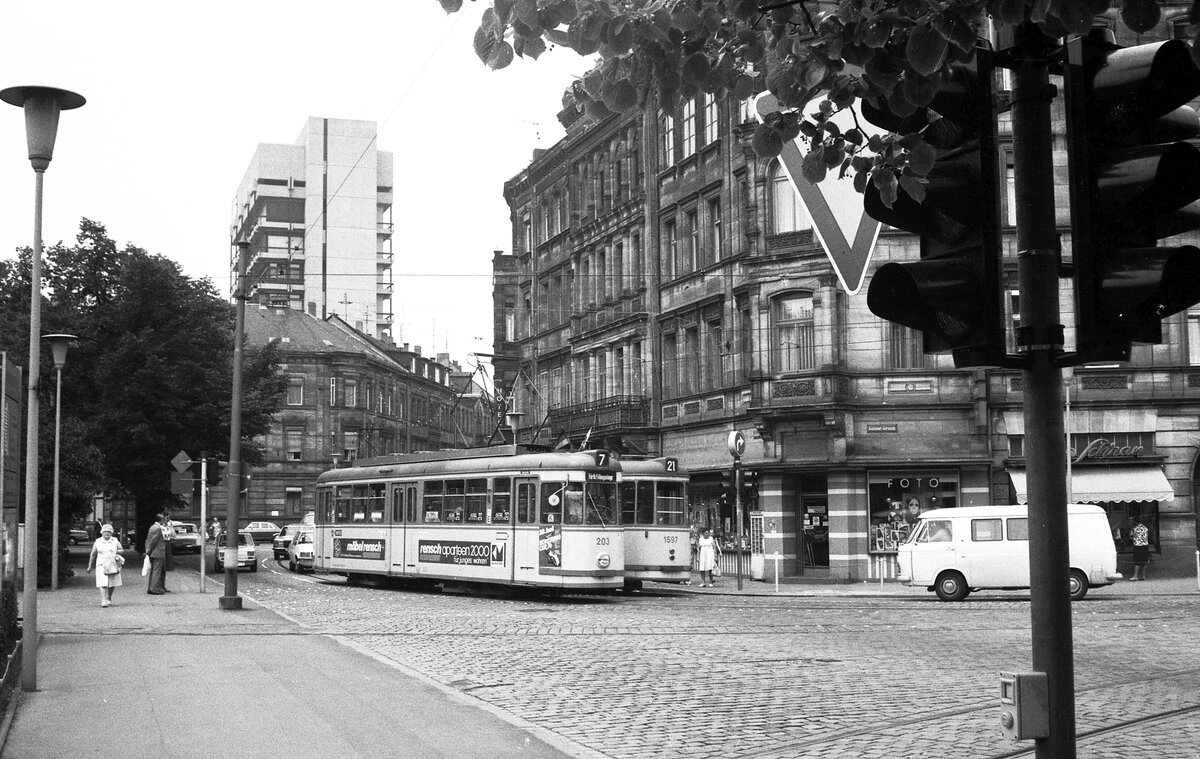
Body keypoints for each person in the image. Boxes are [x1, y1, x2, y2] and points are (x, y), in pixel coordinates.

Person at [86, 524, 124, 607]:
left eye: (109, 532)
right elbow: (93, 554)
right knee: (102, 582)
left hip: (112, 563)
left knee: (112, 582)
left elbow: (121, 550)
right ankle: (103, 600)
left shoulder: (115, 541)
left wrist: (116, 552)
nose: (107, 533)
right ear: (102, 533)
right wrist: (89, 566)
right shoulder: (98, 541)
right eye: (105, 532)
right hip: (101, 564)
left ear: (111, 533)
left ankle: (109, 598)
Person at [145, 512, 170, 594]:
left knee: (153, 570)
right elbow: (154, 541)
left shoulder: (152, 527)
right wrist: (149, 550)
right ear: (160, 520)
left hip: (154, 552)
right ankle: (154, 588)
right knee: (157, 571)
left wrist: (148, 550)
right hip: (158, 552)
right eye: (163, 519)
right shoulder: (158, 528)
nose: (164, 520)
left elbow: (149, 540)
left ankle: (151, 587)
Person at [1130, 516, 1150, 581]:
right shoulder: (1145, 528)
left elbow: (1131, 536)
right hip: (1145, 545)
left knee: (1137, 561)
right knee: (1144, 561)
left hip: (1137, 546)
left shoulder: (1134, 528)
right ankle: (1143, 576)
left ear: (1135, 522)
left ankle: (1135, 576)